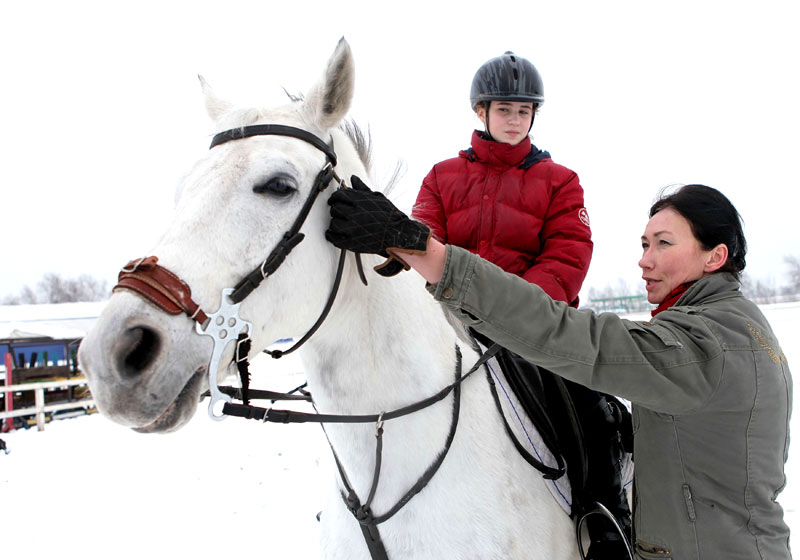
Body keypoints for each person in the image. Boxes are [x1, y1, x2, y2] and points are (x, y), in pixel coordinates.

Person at [325, 182, 793, 559]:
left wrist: (428, 253)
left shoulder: (702, 345)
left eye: (664, 244)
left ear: (715, 257)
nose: (644, 259)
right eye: (645, 243)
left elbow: (566, 334)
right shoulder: (739, 327)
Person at [408, 51, 630, 558]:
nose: (514, 120)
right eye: (504, 109)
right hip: (454, 323)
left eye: (524, 111)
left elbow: (569, 254)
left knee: (588, 406)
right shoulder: (442, 177)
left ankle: (605, 515)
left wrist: (518, 310)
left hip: (538, 326)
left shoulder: (560, 180)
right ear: (480, 111)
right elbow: (424, 240)